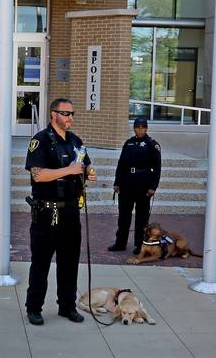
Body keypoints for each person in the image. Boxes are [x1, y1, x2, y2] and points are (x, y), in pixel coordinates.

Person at [24, 98, 96, 326]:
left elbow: (84, 165)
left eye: (72, 113)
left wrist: (89, 173)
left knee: (69, 263)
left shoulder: (75, 140)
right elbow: (38, 175)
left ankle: (67, 306)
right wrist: (68, 170)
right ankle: (34, 308)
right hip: (47, 212)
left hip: (71, 212)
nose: (70, 118)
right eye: (66, 114)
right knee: (41, 263)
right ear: (53, 114)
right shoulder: (41, 140)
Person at [108, 117, 162, 255]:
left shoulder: (152, 144)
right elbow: (121, 164)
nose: (140, 130)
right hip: (127, 183)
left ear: (146, 129)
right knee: (124, 216)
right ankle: (120, 243)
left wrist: (153, 187)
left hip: (143, 184)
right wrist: (117, 182)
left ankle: (140, 244)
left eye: (142, 127)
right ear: (134, 128)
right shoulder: (129, 143)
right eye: (137, 127)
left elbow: (157, 168)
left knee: (141, 218)